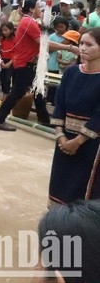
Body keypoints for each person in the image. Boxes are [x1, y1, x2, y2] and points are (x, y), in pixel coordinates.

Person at [0, 0, 77, 131]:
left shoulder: (28, 21)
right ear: (32, 9)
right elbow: (44, 43)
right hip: (25, 63)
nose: (41, 9)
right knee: (18, 92)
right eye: (38, 7)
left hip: (27, 62)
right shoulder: (29, 22)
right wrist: (69, 47)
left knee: (38, 91)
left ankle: (43, 118)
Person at [48, 29, 100, 206]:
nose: (82, 48)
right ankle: (59, 218)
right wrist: (60, 135)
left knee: (84, 187)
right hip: (64, 141)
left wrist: (78, 141)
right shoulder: (71, 72)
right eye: (81, 43)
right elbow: (60, 105)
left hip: (92, 145)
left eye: (89, 44)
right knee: (60, 182)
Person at [0, 22, 15, 97]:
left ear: (11, 30)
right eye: (3, 30)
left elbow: (16, 53)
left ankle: (9, 97)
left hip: (12, 61)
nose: (4, 32)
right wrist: (1, 61)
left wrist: (9, 63)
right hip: (2, 61)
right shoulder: (1, 40)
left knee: (8, 79)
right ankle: (4, 96)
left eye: (6, 30)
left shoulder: (15, 39)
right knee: (3, 80)